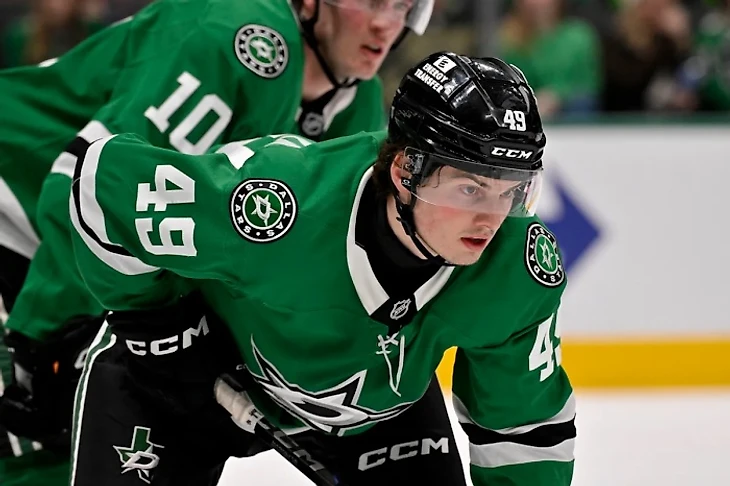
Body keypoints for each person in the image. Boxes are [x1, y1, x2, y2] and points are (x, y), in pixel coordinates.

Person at [69, 51, 576, 486]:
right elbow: (102, 186)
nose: (491, 218)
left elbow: (524, 428)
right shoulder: (279, 207)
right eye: (469, 188)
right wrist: (160, 330)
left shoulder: (516, 264)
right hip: (178, 382)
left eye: (511, 190)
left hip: (374, 412)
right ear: (406, 172)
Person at [0, 0, 434, 484]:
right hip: (17, 204)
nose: (386, 23)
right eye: (371, 1)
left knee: (68, 449)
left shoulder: (356, 101)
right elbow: (93, 187)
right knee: (33, 447)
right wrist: (44, 337)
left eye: (402, 6)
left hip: (69, 254)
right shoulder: (237, 34)